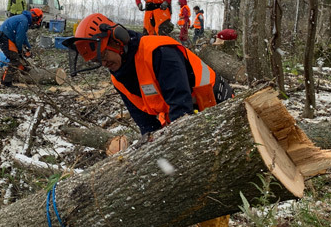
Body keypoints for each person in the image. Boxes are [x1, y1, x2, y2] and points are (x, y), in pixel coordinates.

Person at [63, 13, 233, 136]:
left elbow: (181, 109)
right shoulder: (119, 79)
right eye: (98, 62)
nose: (104, 64)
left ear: (117, 40)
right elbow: (145, 123)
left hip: (219, 109)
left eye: (104, 56)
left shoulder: (158, 52)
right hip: (189, 118)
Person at [0, 8, 44, 87]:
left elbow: (23, 37)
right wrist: (21, 50)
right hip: (4, 38)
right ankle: (6, 82)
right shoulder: (24, 21)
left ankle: (21, 70)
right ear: (35, 17)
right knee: (15, 59)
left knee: (16, 58)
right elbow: (19, 39)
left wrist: (28, 48)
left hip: (6, 37)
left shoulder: (24, 19)